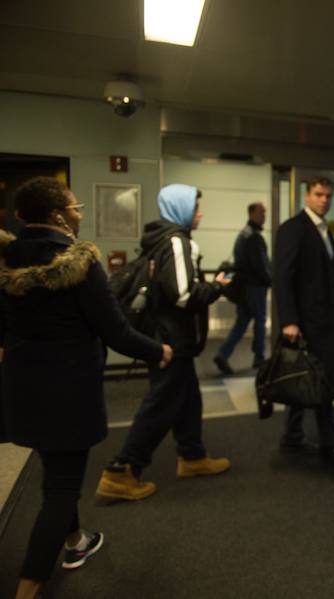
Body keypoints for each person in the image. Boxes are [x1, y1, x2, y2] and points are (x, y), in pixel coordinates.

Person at [0, 177, 172, 599]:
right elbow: (114, 331)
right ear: (58, 214)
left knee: (55, 469)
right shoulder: (78, 262)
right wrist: (158, 351)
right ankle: (28, 585)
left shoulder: (6, 260)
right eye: (76, 207)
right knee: (61, 487)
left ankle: (75, 542)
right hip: (68, 390)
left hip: (21, 386)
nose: (79, 215)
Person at [96, 184, 231, 501]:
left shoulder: (157, 239)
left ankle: (193, 456)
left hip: (165, 333)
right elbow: (183, 294)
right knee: (162, 403)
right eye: (195, 207)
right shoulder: (176, 241)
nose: (199, 213)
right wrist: (216, 287)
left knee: (187, 398)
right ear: (180, 209)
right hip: (172, 339)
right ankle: (122, 469)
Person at [273, 176, 334, 467]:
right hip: (308, 323)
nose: (324, 200)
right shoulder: (293, 229)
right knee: (322, 384)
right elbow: (282, 278)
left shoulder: (322, 230)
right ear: (306, 195)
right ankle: (328, 445)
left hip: (325, 321)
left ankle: (292, 437)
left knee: (305, 380)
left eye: (328, 195)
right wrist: (289, 321)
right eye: (319, 194)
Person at [214, 202, 272, 374]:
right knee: (260, 321)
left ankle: (223, 354)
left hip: (244, 287)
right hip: (255, 286)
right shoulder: (253, 237)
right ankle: (259, 357)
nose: (264, 216)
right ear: (251, 213)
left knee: (242, 323)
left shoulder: (243, 235)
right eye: (261, 212)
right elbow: (260, 265)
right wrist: (270, 280)